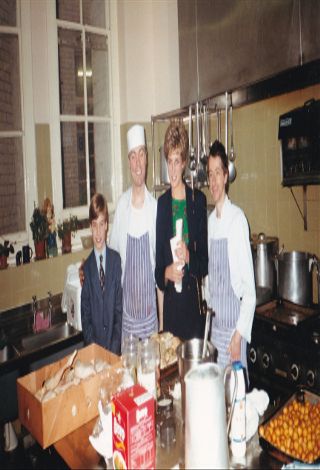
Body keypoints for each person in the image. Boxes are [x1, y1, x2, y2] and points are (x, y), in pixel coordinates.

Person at [155, 121, 208, 340]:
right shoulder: (163, 204)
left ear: (184, 162)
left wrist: (188, 256)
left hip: (193, 310)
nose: (173, 169)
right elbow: (158, 271)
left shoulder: (198, 201)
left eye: (177, 161)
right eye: (170, 161)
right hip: (172, 312)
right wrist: (166, 273)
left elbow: (204, 263)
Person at [206, 140, 256, 369]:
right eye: (210, 174)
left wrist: (238, 337)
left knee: (235, 402)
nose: (214, 180)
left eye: (218, 172)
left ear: (226, 176)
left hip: (234, 335)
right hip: (215, 334)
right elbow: (211, 282)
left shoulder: (237, 220)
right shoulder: (209, 224)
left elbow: (250, 292)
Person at [109, 124, 159, 342]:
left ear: (146, 158)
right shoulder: (121, 208)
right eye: (133, 156)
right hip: (127, 322)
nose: (138, 163)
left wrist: (163, 326)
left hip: (151, 321)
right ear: (129, 162)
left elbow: (160, 278)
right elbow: (111, 263)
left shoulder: (156, 208)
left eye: (141, 154)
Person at [81, 193, 122, 354]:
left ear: (107, 225)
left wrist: (113, 348)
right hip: (94, 352)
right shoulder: (87, 268)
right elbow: (86, 317)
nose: (98, 232)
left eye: (101, 224)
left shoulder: (116, 261)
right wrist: (95, 350)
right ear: (90, 227)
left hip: (115, 349)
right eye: (94, 225)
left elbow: (119, 311)